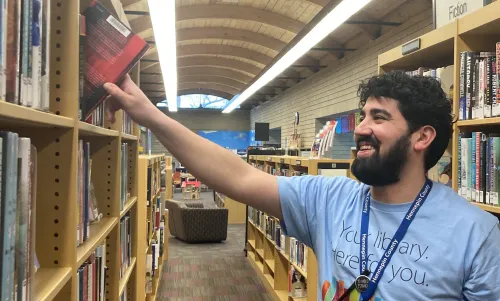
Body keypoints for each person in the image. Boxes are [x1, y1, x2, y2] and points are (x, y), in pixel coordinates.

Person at [103, 71, 500, 301]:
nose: (361, 128)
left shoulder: (476, 233)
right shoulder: (329, 199)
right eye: (362, 116)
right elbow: (237, 175)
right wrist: (150, 116)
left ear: (422, 137)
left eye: (378, 118)